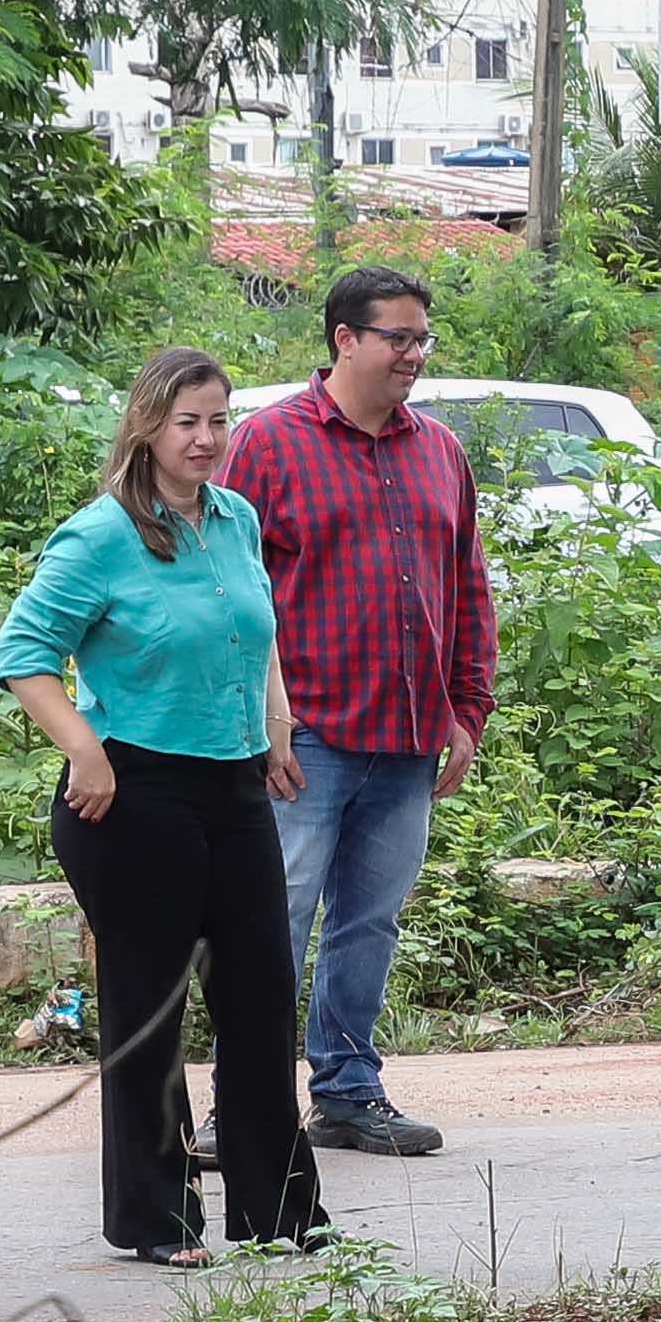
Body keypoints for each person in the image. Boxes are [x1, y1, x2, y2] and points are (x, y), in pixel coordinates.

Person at [0, 347, 327, 1266]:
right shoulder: (101, 535)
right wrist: (85, 751)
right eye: (187, 422)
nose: (207, 438)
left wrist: (280, 728)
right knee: (150, 1007)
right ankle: (155, 1219)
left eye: (219, 420)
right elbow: (20, 653)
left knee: (261, 996)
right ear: (146, 426)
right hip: (132, 795)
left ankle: (277, 1213)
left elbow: (254, 636)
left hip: (233, 783)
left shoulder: (236, 521)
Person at [223, 263, 489, 1160]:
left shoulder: (439, 450)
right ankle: (243, 1102)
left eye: (423, 339)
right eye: (399, 338)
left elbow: (466, 587)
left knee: (369, 923)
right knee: (274, 922)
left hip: (410, 738)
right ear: (345, 339)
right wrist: (259, 722)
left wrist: (467, 707)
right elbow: (228, 589)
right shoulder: (267, 443)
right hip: (308, 739)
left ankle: (345, 1093)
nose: (415, 355)